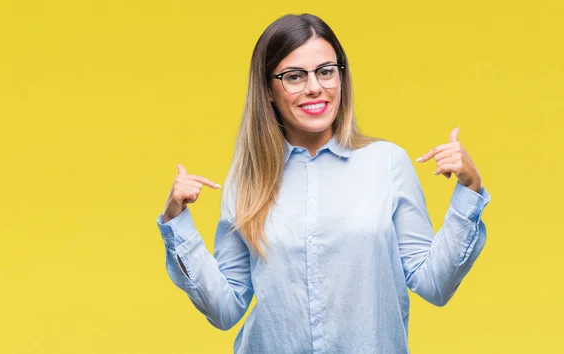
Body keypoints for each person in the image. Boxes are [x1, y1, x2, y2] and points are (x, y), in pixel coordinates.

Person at [156, 13, 491, 354]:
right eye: (294, 76)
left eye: (326, 71)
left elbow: (435, 283)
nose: (314, 86)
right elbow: (225, 309)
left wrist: (469, 191)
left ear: (341, 77)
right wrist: (177, 224)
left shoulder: (387, 163)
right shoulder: (247, 181)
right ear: (268, 90)